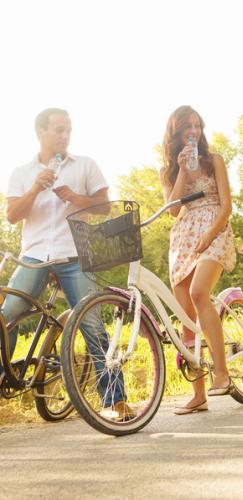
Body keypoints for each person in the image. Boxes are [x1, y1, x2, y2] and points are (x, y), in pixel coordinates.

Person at [1, 107, 134, 419]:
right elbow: (11, 216)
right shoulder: (22, 172)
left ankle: (115, 401)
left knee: (91, 324)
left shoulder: (85, 165)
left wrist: (75, 197)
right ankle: (5, 378)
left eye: (68, 130)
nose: (65, 136)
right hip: (34, 257)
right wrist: (36, 187)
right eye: (58, 130)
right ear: (41, 133)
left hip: (74, 255)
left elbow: (104, 207)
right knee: (6, 314)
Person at [160, 105, 236, 415]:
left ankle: (222, 374)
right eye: (186, 127)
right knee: (186, 318)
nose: (193, 131)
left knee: (199, 292)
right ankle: (198, 393)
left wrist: (210, 235)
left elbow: (227, 205)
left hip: (215, 228)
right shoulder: (167, 171)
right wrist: (179, 172)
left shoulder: (214, 160)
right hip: (183, 237)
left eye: (197, 126)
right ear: (175, 134)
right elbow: (174, 210)